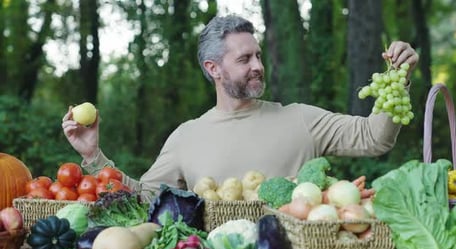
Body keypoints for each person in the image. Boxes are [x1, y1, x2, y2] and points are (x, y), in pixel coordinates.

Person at [62, 15, 419, 202]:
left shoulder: (300, 118)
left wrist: (399, 79)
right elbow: (142, 199)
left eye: (259, 56)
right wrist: (94, 156)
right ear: (213, 69)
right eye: (244, 58)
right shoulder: (187, 136)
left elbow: (375, 138)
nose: (258, 66)